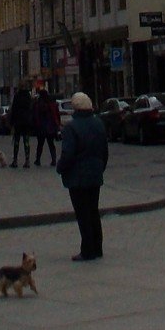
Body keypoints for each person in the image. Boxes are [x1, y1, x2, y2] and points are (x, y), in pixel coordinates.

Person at [55, 90, 109, 261]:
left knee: (82, 213)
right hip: (95, 174)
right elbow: (104, 151)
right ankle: (97, 246)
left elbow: (68, 153)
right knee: (93, 210)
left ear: (75, 107)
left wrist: (60, 168)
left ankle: (87, 250)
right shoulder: (98, 123)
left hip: (77, 177)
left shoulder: (71, 127)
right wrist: (100, 167)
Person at [33, 85, 62, 168]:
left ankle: (38, 160)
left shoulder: (38, 104)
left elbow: (35, 116)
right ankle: (53, 160)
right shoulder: (52, 103)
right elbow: (57, 115)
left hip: (41, 127)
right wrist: (57, 124)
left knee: (40, 144)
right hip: (51, 127)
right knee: (51, 144)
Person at [8, 80, 35, 168]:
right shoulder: (28, 96)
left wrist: (11, 122)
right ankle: (27, 160)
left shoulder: (17, 96)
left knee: (16, 141)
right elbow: (31, 109)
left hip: (18, 122)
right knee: (26, 141)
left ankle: (15, 161)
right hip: (26, 122)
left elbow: (14, 109)